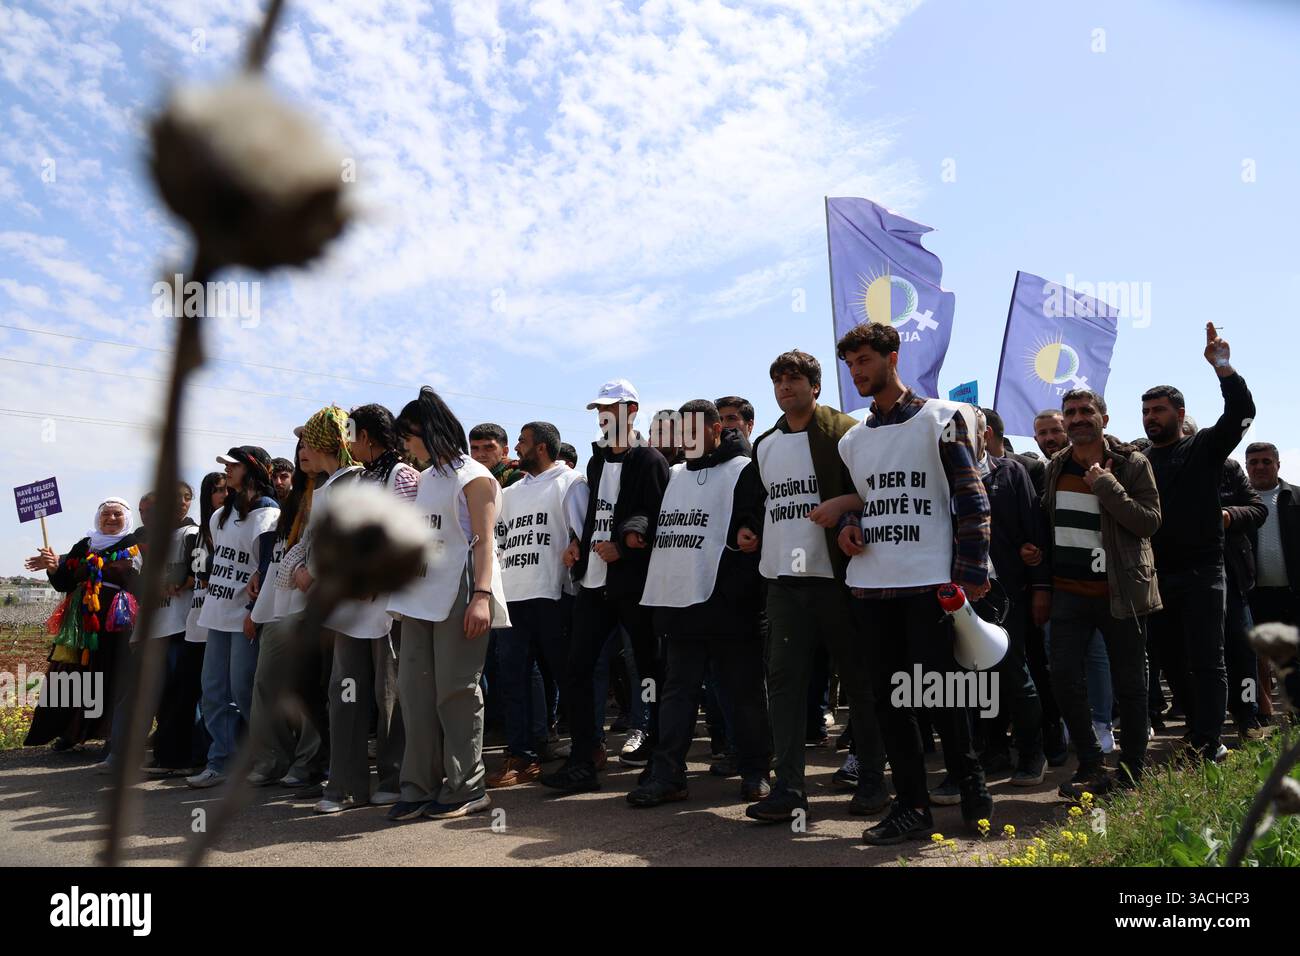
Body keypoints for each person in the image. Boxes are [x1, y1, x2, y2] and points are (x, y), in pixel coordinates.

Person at [834, 322, 993, 844]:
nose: (857, 371)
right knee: (889, 704)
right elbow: (860, 503)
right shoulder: (853, 440)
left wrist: (969, 578)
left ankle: (973, 794)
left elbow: (971, 500)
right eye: (851, 363)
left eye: (865, 360)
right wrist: (847, 528)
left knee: (946, 697)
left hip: (931, 586)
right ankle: (912, 807)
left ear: (892, 357)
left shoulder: (942, 419)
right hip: (872, 589)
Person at [744, 350, 887, 823]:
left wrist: (846, 507)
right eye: (778, 380)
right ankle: (788, 788)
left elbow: (878, 492)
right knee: (783, 683)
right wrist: (749, 533)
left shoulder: (847, 432)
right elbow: (760, 505)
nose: (785, 387)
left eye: (795, 379)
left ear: (815, 386)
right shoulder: (764, 444)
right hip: (783, 581)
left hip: (839, 579)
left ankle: (871, 781)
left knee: (859, 683)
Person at [627, 400, 772, 806]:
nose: (686, 439)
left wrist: (749, 531)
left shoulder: (744, 468)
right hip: (681, 601)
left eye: (694, 430)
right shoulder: (674, 475)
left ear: (713, 430)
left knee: (742, 691)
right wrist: (637, 527)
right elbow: (654, 517)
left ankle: (756, 770)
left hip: (731, 603)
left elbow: (756, 518)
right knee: (678, 690)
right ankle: (668, 773)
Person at [540, 378, 670, 793]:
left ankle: (660, 755)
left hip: (633, 585)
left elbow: (658, 522)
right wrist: (578, 543)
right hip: (593, 584)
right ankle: (585, 755)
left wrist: (625, 551)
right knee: (577, 668)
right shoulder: (595, 464)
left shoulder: (650, 460)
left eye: (611, 409)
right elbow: (597, 513)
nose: (603, 417)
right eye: (600, 410)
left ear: (632, 411)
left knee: (649, 670)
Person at [386, 387, 508, 820]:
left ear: (428, 431)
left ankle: (468, 786)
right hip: (420, 595)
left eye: (409, 435)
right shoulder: (426, 478)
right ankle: (418, 784)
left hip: (461, 590)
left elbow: (485, 541)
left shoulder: (474, 476)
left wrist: (481, 597)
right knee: (415, 693)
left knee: (456, 692)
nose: (405, 445)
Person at [1141, 322, 1255, 762]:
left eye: (1159, 410)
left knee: (1209, 659)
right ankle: (1195, 728)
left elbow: (1241, 412)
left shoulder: (1204, 448)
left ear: (1179, 412)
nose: (1152, 418)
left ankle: (1211, 742)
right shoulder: (1141, 459)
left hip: (1204, 572)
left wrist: (1223, 367)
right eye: (1146, 411)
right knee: (1170, 658)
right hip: (1158, 575)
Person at [281, 406, 404, 814]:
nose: (304, 448)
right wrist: (300, 570)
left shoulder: (368, 479)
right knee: (344, 694)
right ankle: (346, 785)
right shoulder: (332, 485)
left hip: (379, 603)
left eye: (310, 439)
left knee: (388, 693)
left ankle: (393, 777)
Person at [1043, 389, 1159, 798]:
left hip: (1121, 590)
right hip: (1069, 595)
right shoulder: (1056, 466)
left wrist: (1106, 486)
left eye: (1085, 411)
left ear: (1103, 419)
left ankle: (1132, 770)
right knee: (1063, 678)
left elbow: (1148, 522)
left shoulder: (1131, 464)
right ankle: (1091, 764)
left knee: (1130, 682)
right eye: (1070, 412)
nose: (1077, 418)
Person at [488, 421, 588, 787]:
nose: (516, 448)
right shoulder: (511, 492)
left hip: (554, 595)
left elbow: (582, 534)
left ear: (542, 448)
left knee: (567, 676)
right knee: (512, 680)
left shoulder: (570, 483)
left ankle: (587, 749)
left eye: (523, 442)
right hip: (514, 596)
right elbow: (498, 540)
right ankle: (522, 756)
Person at [188, 446, 280, 788]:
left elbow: (268, 566)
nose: (226, 471)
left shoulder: (268, 511)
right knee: (213, 690)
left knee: (244, 689)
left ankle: (266, 757)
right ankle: (222, 760)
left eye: (233, 465)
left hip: (246, 615)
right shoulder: (219, 515)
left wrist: (254, 613)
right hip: (217, 614)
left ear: (252, 469)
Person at [24, 498, 142, 750]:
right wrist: (55, 568)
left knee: (113, 675)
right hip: (80, 624)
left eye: (117, 515)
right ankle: (70, 731)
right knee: (71, 675)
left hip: (116, 625)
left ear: (127, 518)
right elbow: (64, 582)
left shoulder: (134, 546)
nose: (110, 519)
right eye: (106, 514)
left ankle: (113, 735)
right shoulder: (84, 545)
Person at [970, 408, 1048, 787]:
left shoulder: (1012, 472)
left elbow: (1033, 534)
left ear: (985, 434)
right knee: (978, 678)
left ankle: (1033, 754)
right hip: (966, 597)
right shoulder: (946, 476)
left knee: (1015, 672)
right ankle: (994, 750)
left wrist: (1039, 587)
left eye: (970, 430)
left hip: (1007, 594)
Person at [245, 441, 328, 790]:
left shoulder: (335, 489)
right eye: (301, 447)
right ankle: (273, 758)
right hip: (277, 604)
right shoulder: (294, 497)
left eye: (312, 445)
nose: (304, 453)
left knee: (309, 687)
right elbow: (281, 551)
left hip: (313, 606)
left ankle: (310, 762)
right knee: (266, 682)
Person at [134, 482, 200, 774]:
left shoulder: (192, 534)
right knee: (161, 694)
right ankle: (166, 752)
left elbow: (192, 574)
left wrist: (175, 581)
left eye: (184, 498)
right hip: (158, 627)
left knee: (181, 694)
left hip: (181, 626)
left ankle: (184, 756)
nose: (179, 504)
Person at [1244, 442, 1300, 722]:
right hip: (1255, 593)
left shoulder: (1296, 497)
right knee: (1256, 658)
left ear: (1278, 464)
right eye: (1253, 462)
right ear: (1246, 467)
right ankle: (1263, 715)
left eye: (1266, 461)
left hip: (1292, 592)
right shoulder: (1239, 502)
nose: (1260, 467)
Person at [1217, 454, 1267, 738]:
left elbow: (1257, 510)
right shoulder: (1157, 464)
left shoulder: (1228, 470)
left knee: (1243, 651)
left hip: (1234, 580)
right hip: (1186, 579)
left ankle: (1247, 716)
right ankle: (1201, 722)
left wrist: (1228, 516)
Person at [470, 422, 523, 488]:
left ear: (504, 451)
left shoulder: (517, 476)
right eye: (475, 448)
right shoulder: (465, 476)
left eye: (489, 447)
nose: (481, 454)